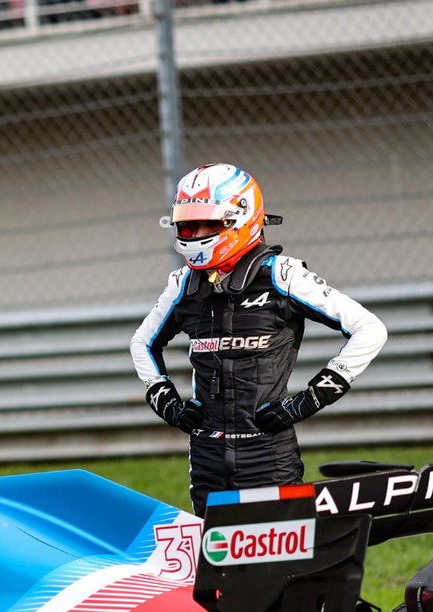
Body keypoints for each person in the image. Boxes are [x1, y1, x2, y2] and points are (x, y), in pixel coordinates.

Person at [129, 163, 387, 516]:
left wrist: (309, 401)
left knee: (281, 562)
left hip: (268, 452)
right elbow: (142, 343)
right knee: (215, 562)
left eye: (207, 222)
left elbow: (369, 329)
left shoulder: (284, 276)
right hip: (206, 453)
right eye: (187, 223)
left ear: (241, 217)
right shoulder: (183, 284)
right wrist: (167, 402)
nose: (195, 232)